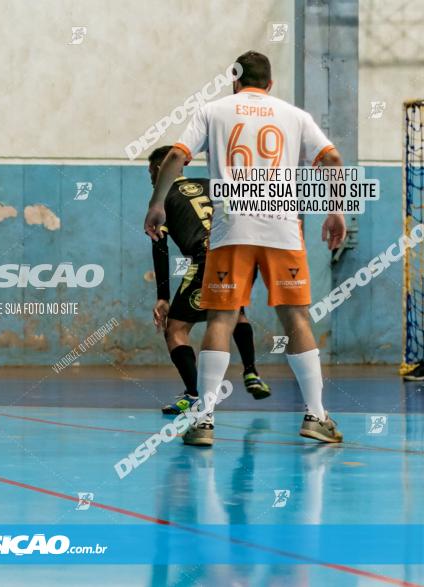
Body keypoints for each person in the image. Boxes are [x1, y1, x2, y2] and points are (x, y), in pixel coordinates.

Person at [144, 51, 347, 445]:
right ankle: (315, 416)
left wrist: (156, 204)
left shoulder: (213, 110)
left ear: (235, 80)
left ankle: (203, 421)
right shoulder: (295, 115)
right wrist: (336, 210)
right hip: (282, 230)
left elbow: (174, 156)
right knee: (297, 319)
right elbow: (333, 159)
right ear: (270, 84)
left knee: (220, 320)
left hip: (231, 228)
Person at [147, 145, 270, 415]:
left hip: (206, 258)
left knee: (175, 330)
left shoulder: (162, 197)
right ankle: (251, 371)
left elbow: (160, 246)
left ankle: (195, 396)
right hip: (240, 253)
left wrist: (163, 297)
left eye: (150, 173)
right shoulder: (208, 184)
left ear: (159, 170)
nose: (151, 180)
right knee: (234, 313)